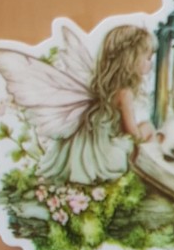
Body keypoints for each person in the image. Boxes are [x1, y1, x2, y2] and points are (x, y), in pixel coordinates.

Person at [36, 26, 155, 185]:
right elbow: (132, 133)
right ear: (131, 59)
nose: (150, 63)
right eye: (147, 58)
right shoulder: (124, 93)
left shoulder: (100, 87)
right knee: (148, 128)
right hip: (105, 159)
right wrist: (146, 132)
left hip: (89, 155)